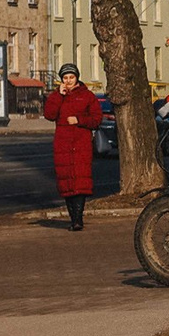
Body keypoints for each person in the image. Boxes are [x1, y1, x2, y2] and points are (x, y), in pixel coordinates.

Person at [43, 63, 102, 230]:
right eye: (65, 78)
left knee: (81, 182)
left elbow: (97, 119)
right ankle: (73, 219)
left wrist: (79, 120)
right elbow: (49, 114)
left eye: (71, 77)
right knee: (66, 182)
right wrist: (58, 96)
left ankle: (78, 219)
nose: (68, 81)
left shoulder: (87, 96)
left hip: (81, 144)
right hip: (63, 145)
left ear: (77, 78)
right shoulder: (57, 96)